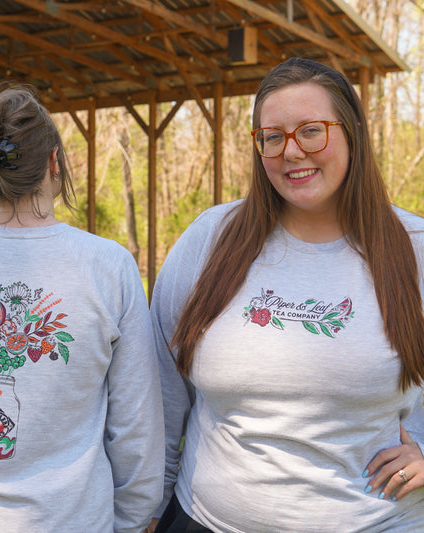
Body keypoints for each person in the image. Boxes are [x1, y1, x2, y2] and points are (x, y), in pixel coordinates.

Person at [148, 57, 424, 532]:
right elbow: (159, 388)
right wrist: (148, 510)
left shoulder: (414, 248)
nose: (291, 152)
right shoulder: (210, 239)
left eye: (311, 130)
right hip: (209, 521)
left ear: (352, 131)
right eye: (272, 137)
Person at [0, 84, 164, 533]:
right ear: (54, 163)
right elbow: (136, 424)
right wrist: (133, 518)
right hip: (66, 520)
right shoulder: (109, 266)